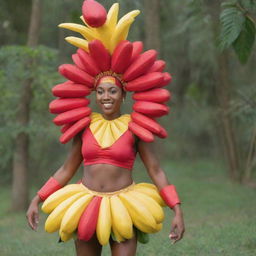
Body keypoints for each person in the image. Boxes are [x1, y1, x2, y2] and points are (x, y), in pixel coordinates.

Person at [26, 1, 185, 255]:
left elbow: (155, 169)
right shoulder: (85, 125)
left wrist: (176, 207)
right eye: (100, 91)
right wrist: (38, 198)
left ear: (124, 95)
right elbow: (68, 168)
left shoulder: (135, 127)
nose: (105, 96)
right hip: (86, 204)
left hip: (125, 205)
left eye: (112, 91)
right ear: (94, 95)